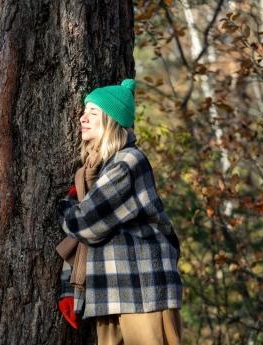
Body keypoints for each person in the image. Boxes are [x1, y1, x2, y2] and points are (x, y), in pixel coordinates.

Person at [56, 79, 183, 345]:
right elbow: (85, 242)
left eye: (92, 112)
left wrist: (68, 206)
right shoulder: (97, 169)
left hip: (142, 290)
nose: (82, 118)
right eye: (84, 111)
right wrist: (71, 288)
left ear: (111, 120)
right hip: (110, 292)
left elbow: (84, 226)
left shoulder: (127, 162)